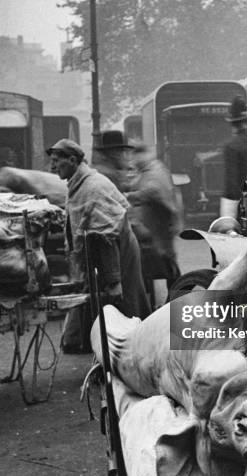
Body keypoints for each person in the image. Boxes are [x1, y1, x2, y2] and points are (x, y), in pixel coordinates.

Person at [47, 138, 151, 353]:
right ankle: (89, 343)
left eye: (57, 161)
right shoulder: (79, 183)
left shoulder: (92, 186)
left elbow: (105, 236)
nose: (52, 166)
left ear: (73, 160)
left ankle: (136, 352)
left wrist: (114, 280)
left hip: (116, 252)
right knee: (104, 302)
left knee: (124, 299)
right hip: (101, 253)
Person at [125, 143, 182, 295]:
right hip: (154, 225)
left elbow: (153, 191)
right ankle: (169, 296)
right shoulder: (147, 170)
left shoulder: (155, 171)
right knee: (156, 263)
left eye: (135, 156)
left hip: (159, 225)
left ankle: (178, 296)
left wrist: (128, 197)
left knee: (165, 261)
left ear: (143, 156)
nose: (133, 161)